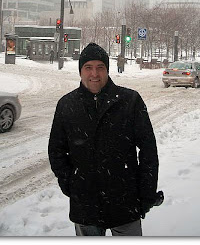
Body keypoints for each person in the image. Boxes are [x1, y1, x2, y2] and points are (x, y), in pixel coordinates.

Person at [48, 43, 161, 236]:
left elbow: (148, 150)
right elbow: (56, 151)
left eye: (100, 67)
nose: (94, 74)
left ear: (107, 70)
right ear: (80, 71)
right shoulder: (67, 105)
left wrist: (146, 193)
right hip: (85, 205)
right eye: (88, 67)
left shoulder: (130, 101)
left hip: (125, 201)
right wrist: (70, 184)